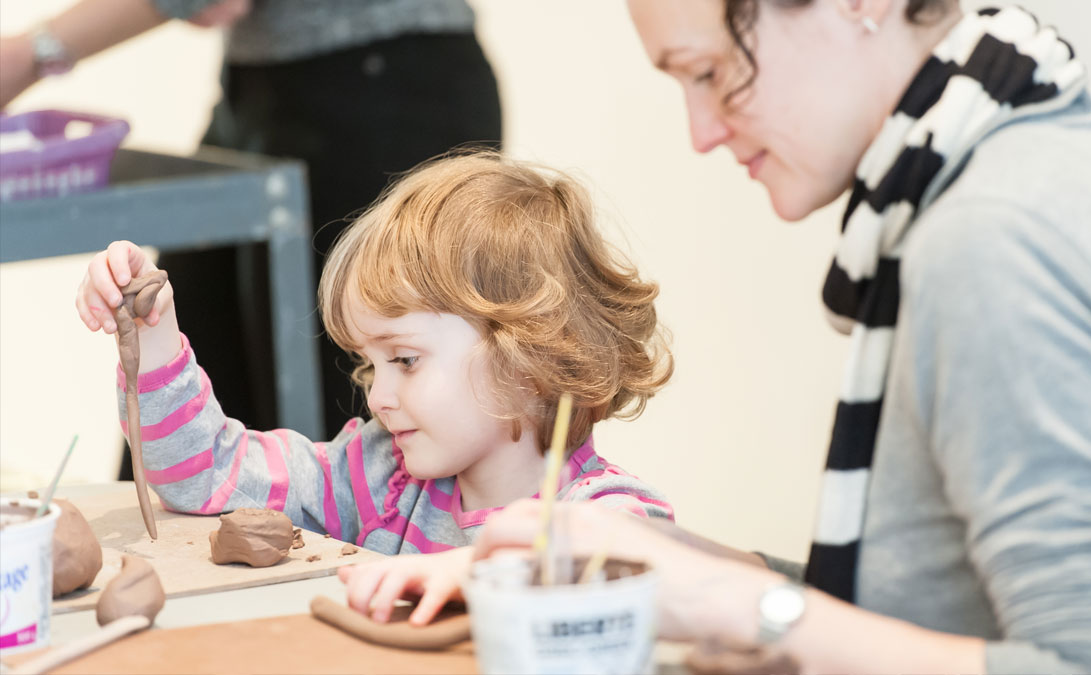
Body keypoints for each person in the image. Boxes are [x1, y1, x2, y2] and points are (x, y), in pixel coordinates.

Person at [449, 2, 1091, 673]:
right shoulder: (1086, 170)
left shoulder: (987, 242)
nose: (701, 131)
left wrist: (733, 604)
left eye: (710, 73)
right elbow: (945, 615)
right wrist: (696, 565)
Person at [74, 153, 676, 616]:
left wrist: (477, 570)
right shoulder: (377, 476)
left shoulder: (606, 510)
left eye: (406, 360)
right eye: (372, 363)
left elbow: (644, 569)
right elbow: (204, 474)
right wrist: (152, 336)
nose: (378, 396)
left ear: (527, 357)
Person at [2, 0, 503, 444]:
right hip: (264, 86)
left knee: (348, 435)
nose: (384, 396)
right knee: (198, 387)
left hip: (382, 87)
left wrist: (30, 52)